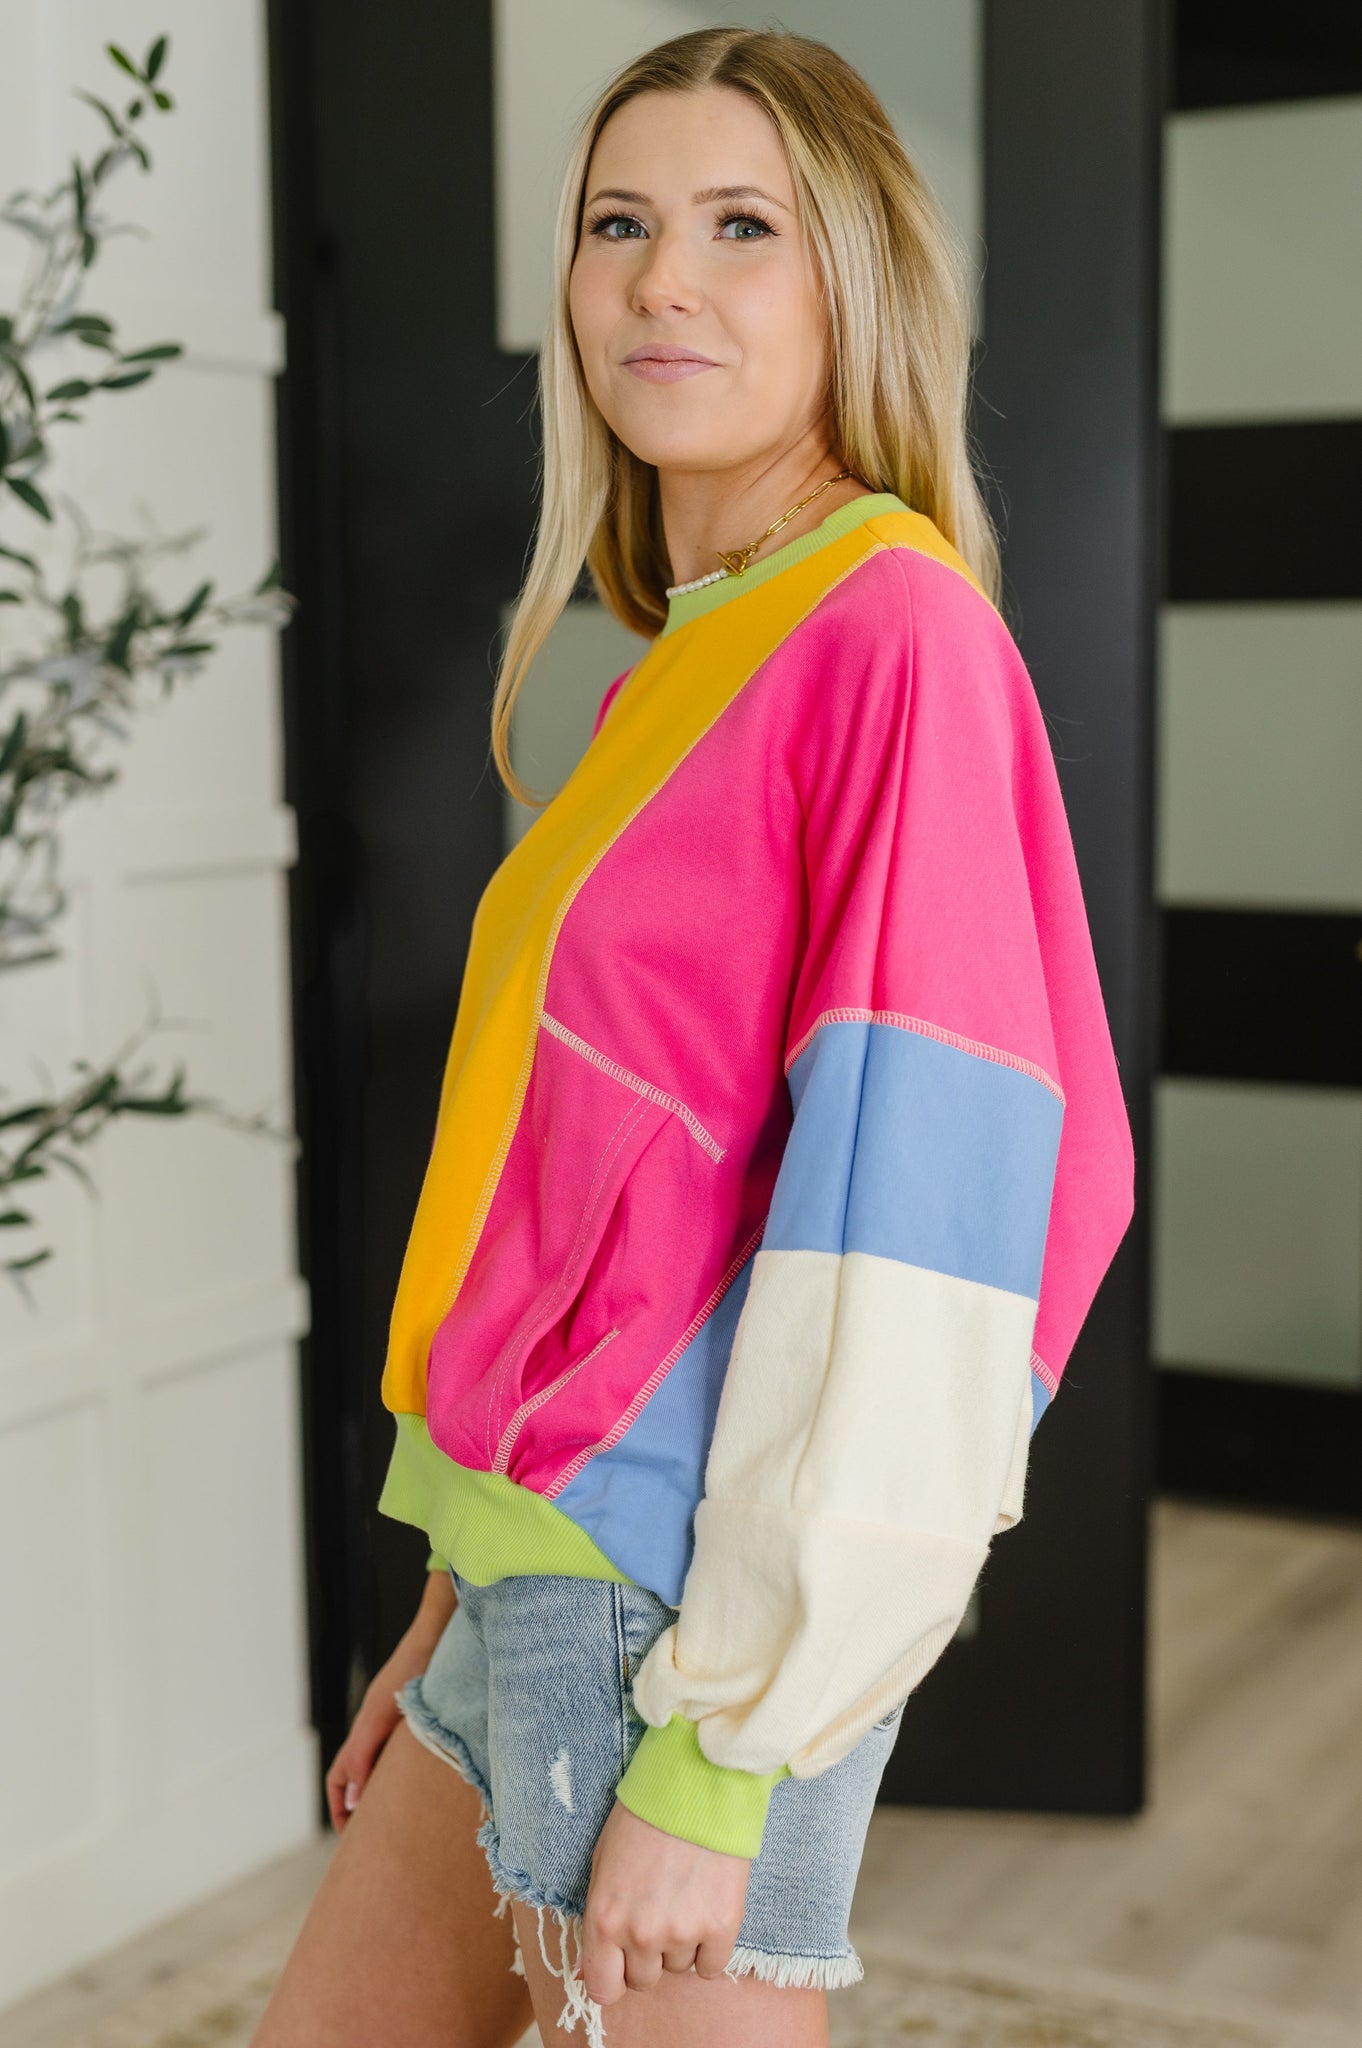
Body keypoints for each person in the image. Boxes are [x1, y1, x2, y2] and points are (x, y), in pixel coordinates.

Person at [255, 25, 1135, 2048]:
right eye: (617, 225)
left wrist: (730, 1762)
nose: (663, 279)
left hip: (676, 1630)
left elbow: (920, 1244)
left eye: (743, 226)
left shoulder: (890, 638)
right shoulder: (689, 648)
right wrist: (459, 1591)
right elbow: (601, 1187)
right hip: (537, 1568)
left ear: (854, 281)